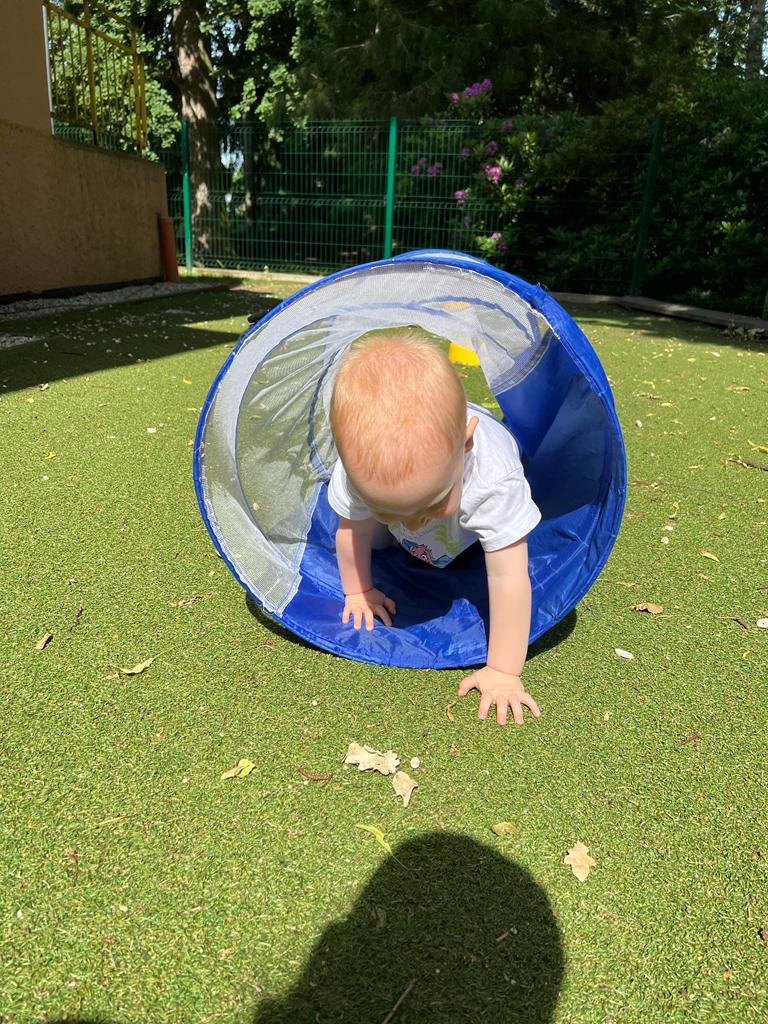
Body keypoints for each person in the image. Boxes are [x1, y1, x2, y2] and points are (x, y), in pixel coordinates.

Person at [327, 331, 542, 726]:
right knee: (377, 536)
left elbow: (510, 576)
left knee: (478, 539)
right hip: (425, 471)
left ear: (466, 444)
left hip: (476, 480)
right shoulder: (360, 469)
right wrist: (358, 590)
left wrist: (503, 670)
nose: (413, 524)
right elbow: (351, 530)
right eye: (390, 510)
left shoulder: (494, 480)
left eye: (432, 505)